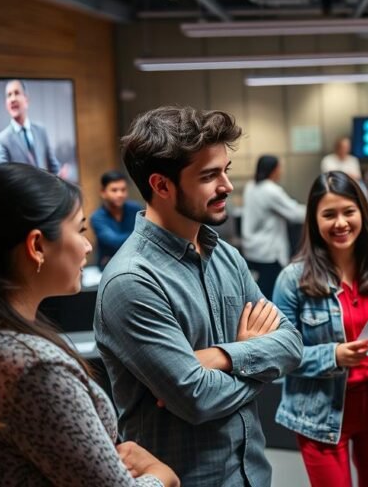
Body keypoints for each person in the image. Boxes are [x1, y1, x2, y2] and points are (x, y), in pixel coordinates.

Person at [94, 106, 305, 486]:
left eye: (225, 170)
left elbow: (291, 345)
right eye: (210, 176)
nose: (227, 185)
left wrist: (224, 356)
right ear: (161, 186)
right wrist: (255, 359)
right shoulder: (131, 281)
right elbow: (197, 399)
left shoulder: (223, 253)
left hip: (252, 474)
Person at [0, 164, 179, 487]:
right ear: (36, 246)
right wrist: (161, 475)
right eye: (79, 230)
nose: (87, 246)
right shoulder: (33, 368)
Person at [272, 171, 368, 487]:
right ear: (314, 220)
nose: (340, 223)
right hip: (318, 414)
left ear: (362, 212)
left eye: (349, 212)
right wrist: (332, 355)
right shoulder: (292, 280)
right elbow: (279, 356)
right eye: (329, 214)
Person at [241, 155, 306, 299]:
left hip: (253, 248)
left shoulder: (251, 186)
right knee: (269, 295)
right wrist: (319, 211)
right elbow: (295, 213)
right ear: (273, 170)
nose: (281, 171)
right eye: (279, 168)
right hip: (269, 252)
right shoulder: (270, 190)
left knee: (257, 290)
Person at [0, 80, 61, 175]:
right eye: (9, 95)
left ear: (26, 100)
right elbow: (1, 175)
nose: (13, 99)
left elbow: (54, 167)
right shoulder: (3, 139)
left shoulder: (41, 130)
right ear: (6, 104)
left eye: (17, 93)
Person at [90, 170, 144, 268]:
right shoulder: (97, 217)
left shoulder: (136, 209)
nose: (120, 194)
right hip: (108, 265)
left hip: (136, 262)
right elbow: (114, 243)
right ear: (103, 192)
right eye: (114, 190)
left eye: (123, 190)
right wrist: (139, 235)